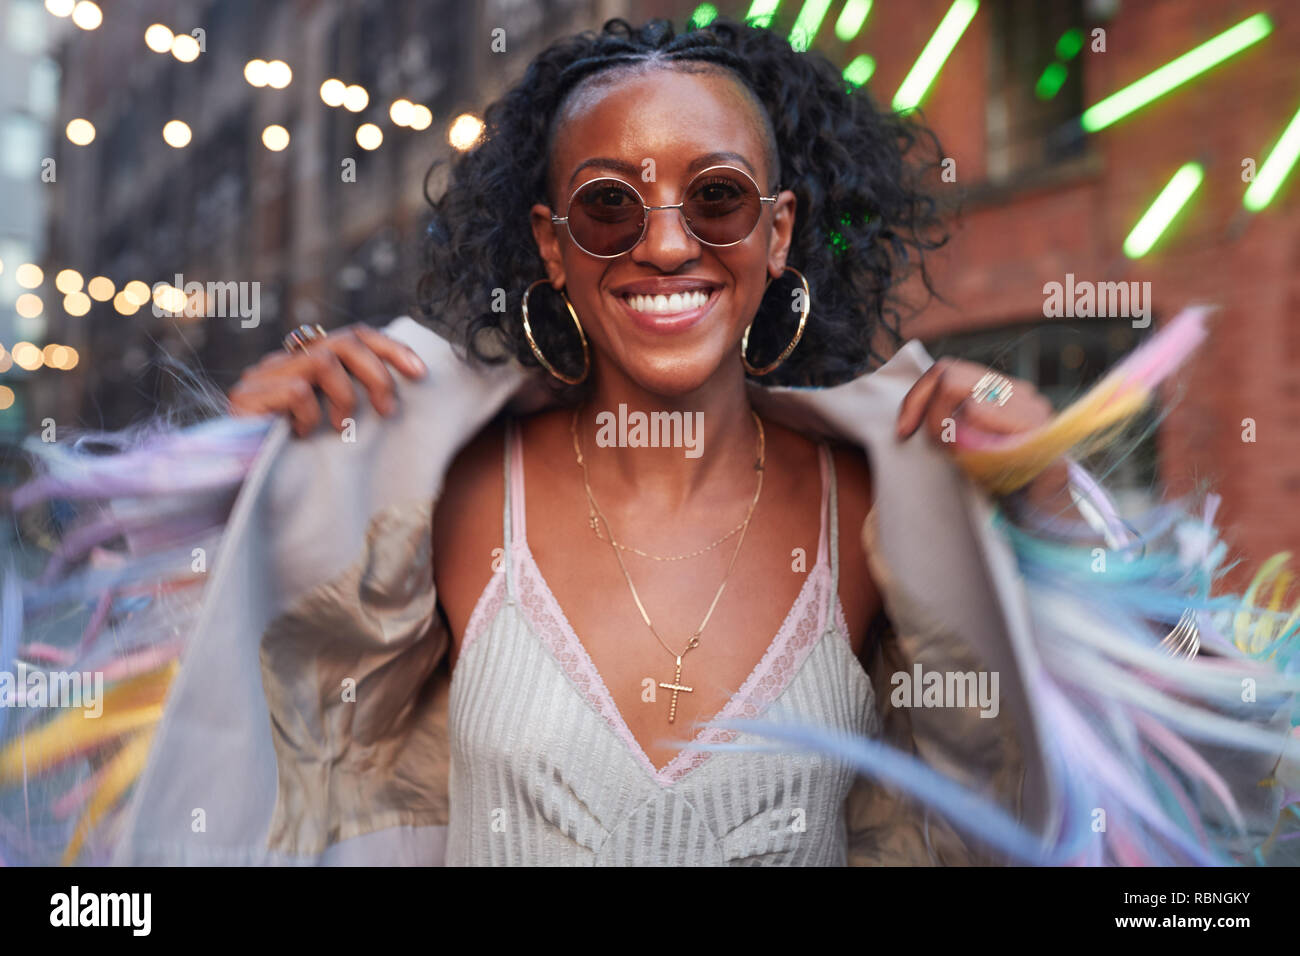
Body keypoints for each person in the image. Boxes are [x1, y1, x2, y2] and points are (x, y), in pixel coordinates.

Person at [2, 16, 1295, 867]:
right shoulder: (438, 493)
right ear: (556, 252)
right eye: (610, 206)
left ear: (779, 235)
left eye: (718, 199)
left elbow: (1219, 784)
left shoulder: (892, 498)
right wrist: (243, 482)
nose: (667, 243)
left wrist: (1056, 503)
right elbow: (222, 766)